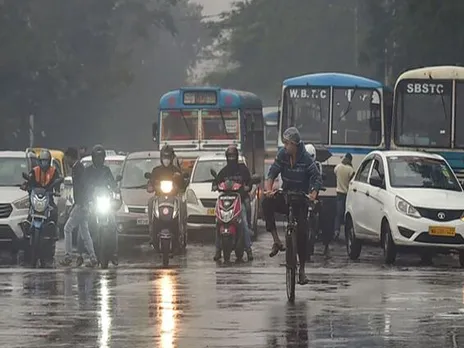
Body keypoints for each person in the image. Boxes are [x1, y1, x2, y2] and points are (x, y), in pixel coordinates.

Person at [262, 127, 322, 284]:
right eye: (285, 143)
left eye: (287, 143)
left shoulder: (306, 159)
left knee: (302, 233)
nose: (285, 146)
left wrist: (313, 194)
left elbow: (316, 177)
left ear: (295, 144)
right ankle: (276, 240)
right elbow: (272, 172)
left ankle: (301, 270)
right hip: (286, 195)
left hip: (301, 199)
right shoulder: (283, 155)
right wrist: (268, 190)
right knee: (266, 202)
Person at [213, 145, 253, 262]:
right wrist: (215, 185)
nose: (231, 158)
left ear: (236, 157)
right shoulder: (224, 171)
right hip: (226, 200)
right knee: (217, 222)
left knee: (244, 222)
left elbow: (249, 181)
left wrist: (247, 187)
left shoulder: (243, 169)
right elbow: (217, 181)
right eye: (229, 156)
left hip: (240, 199)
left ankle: (248, 249)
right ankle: (217, 250)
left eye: (233, 156)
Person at [60, 147, 97, 267]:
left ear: (71, 158)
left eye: (67, 160)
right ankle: (93, 257)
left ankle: (68, 256)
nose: (67, 162)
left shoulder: (78, 169)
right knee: (85, 231)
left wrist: (80, 204)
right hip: (83, 204)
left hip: (82, 204)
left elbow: (82, 188)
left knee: (67, 228)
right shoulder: (80, 168)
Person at [85, 145, 119, 265]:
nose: (99, 160)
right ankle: (82, 253)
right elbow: (83, 186)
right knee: (84, 226)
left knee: (114, 224)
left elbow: (113, 183)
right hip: (92, 203)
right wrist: (86, 197)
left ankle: (114, 253)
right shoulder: (88, 171)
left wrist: (116, 189)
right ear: (93, 158)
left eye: (101, 157)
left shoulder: (106, 170)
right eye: (97, 157)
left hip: (105, 202)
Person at [147, 144, 186, 249]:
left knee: (182, 203)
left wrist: (180, 179)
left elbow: (183, 186)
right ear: (161, 158)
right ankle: (151, 232)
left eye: (168, 158)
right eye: (164, 157)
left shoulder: (176, 171)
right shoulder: (156, 170)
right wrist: (151, 185)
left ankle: (182, 232)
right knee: (150, 202)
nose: (166, 160)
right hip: (158, 197)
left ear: (172, 158)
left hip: (173, 197)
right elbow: (150, 183)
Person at [334, 153, 355, 240]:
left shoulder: (338, 167)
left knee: (338, 214)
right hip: (347, 194)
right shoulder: (350, 170)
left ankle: (336, 231)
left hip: (339, 193)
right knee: (347, 215)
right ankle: (347, 234)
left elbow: (335, 173)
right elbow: (352, 180)